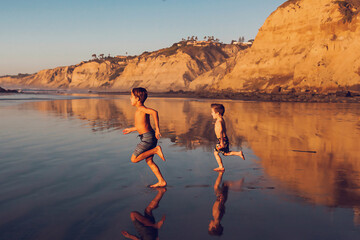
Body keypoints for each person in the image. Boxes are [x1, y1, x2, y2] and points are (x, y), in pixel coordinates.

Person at [123, 87, 166, 188]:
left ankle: (156, 150)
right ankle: (161, 181)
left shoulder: (142, 109)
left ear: (137, 99)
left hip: (148, 138)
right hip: (148, 136)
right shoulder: (139, 110)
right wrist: (131, 129)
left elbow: (154, 112)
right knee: (149, 161)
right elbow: (141, 126)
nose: (130, 99)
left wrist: (158, 129)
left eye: (131, 97)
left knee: (134, 159)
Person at [211, 103, 245, 172]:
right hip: (224, 139)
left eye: (212, 112)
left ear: (217, 113)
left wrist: (221, 142)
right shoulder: (221, 119)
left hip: (222, 140)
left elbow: (220, 131)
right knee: (225, 153)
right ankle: (238, 153)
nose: (211, 114)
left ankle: (221, 166)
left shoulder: (219, 121)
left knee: (215, 153)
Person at [208, 171, 244, 236]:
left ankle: (236, 184)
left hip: (221, 198)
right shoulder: (217, 217)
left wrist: (222, 201)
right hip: (220, 198)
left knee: (223, 185)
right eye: (210, 227)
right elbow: (219, 209)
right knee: (219, 186)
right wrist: (221, 200)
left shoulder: (219, 218)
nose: (209, 225)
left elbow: (222, 209)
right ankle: (236, 183)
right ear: (215, 226)